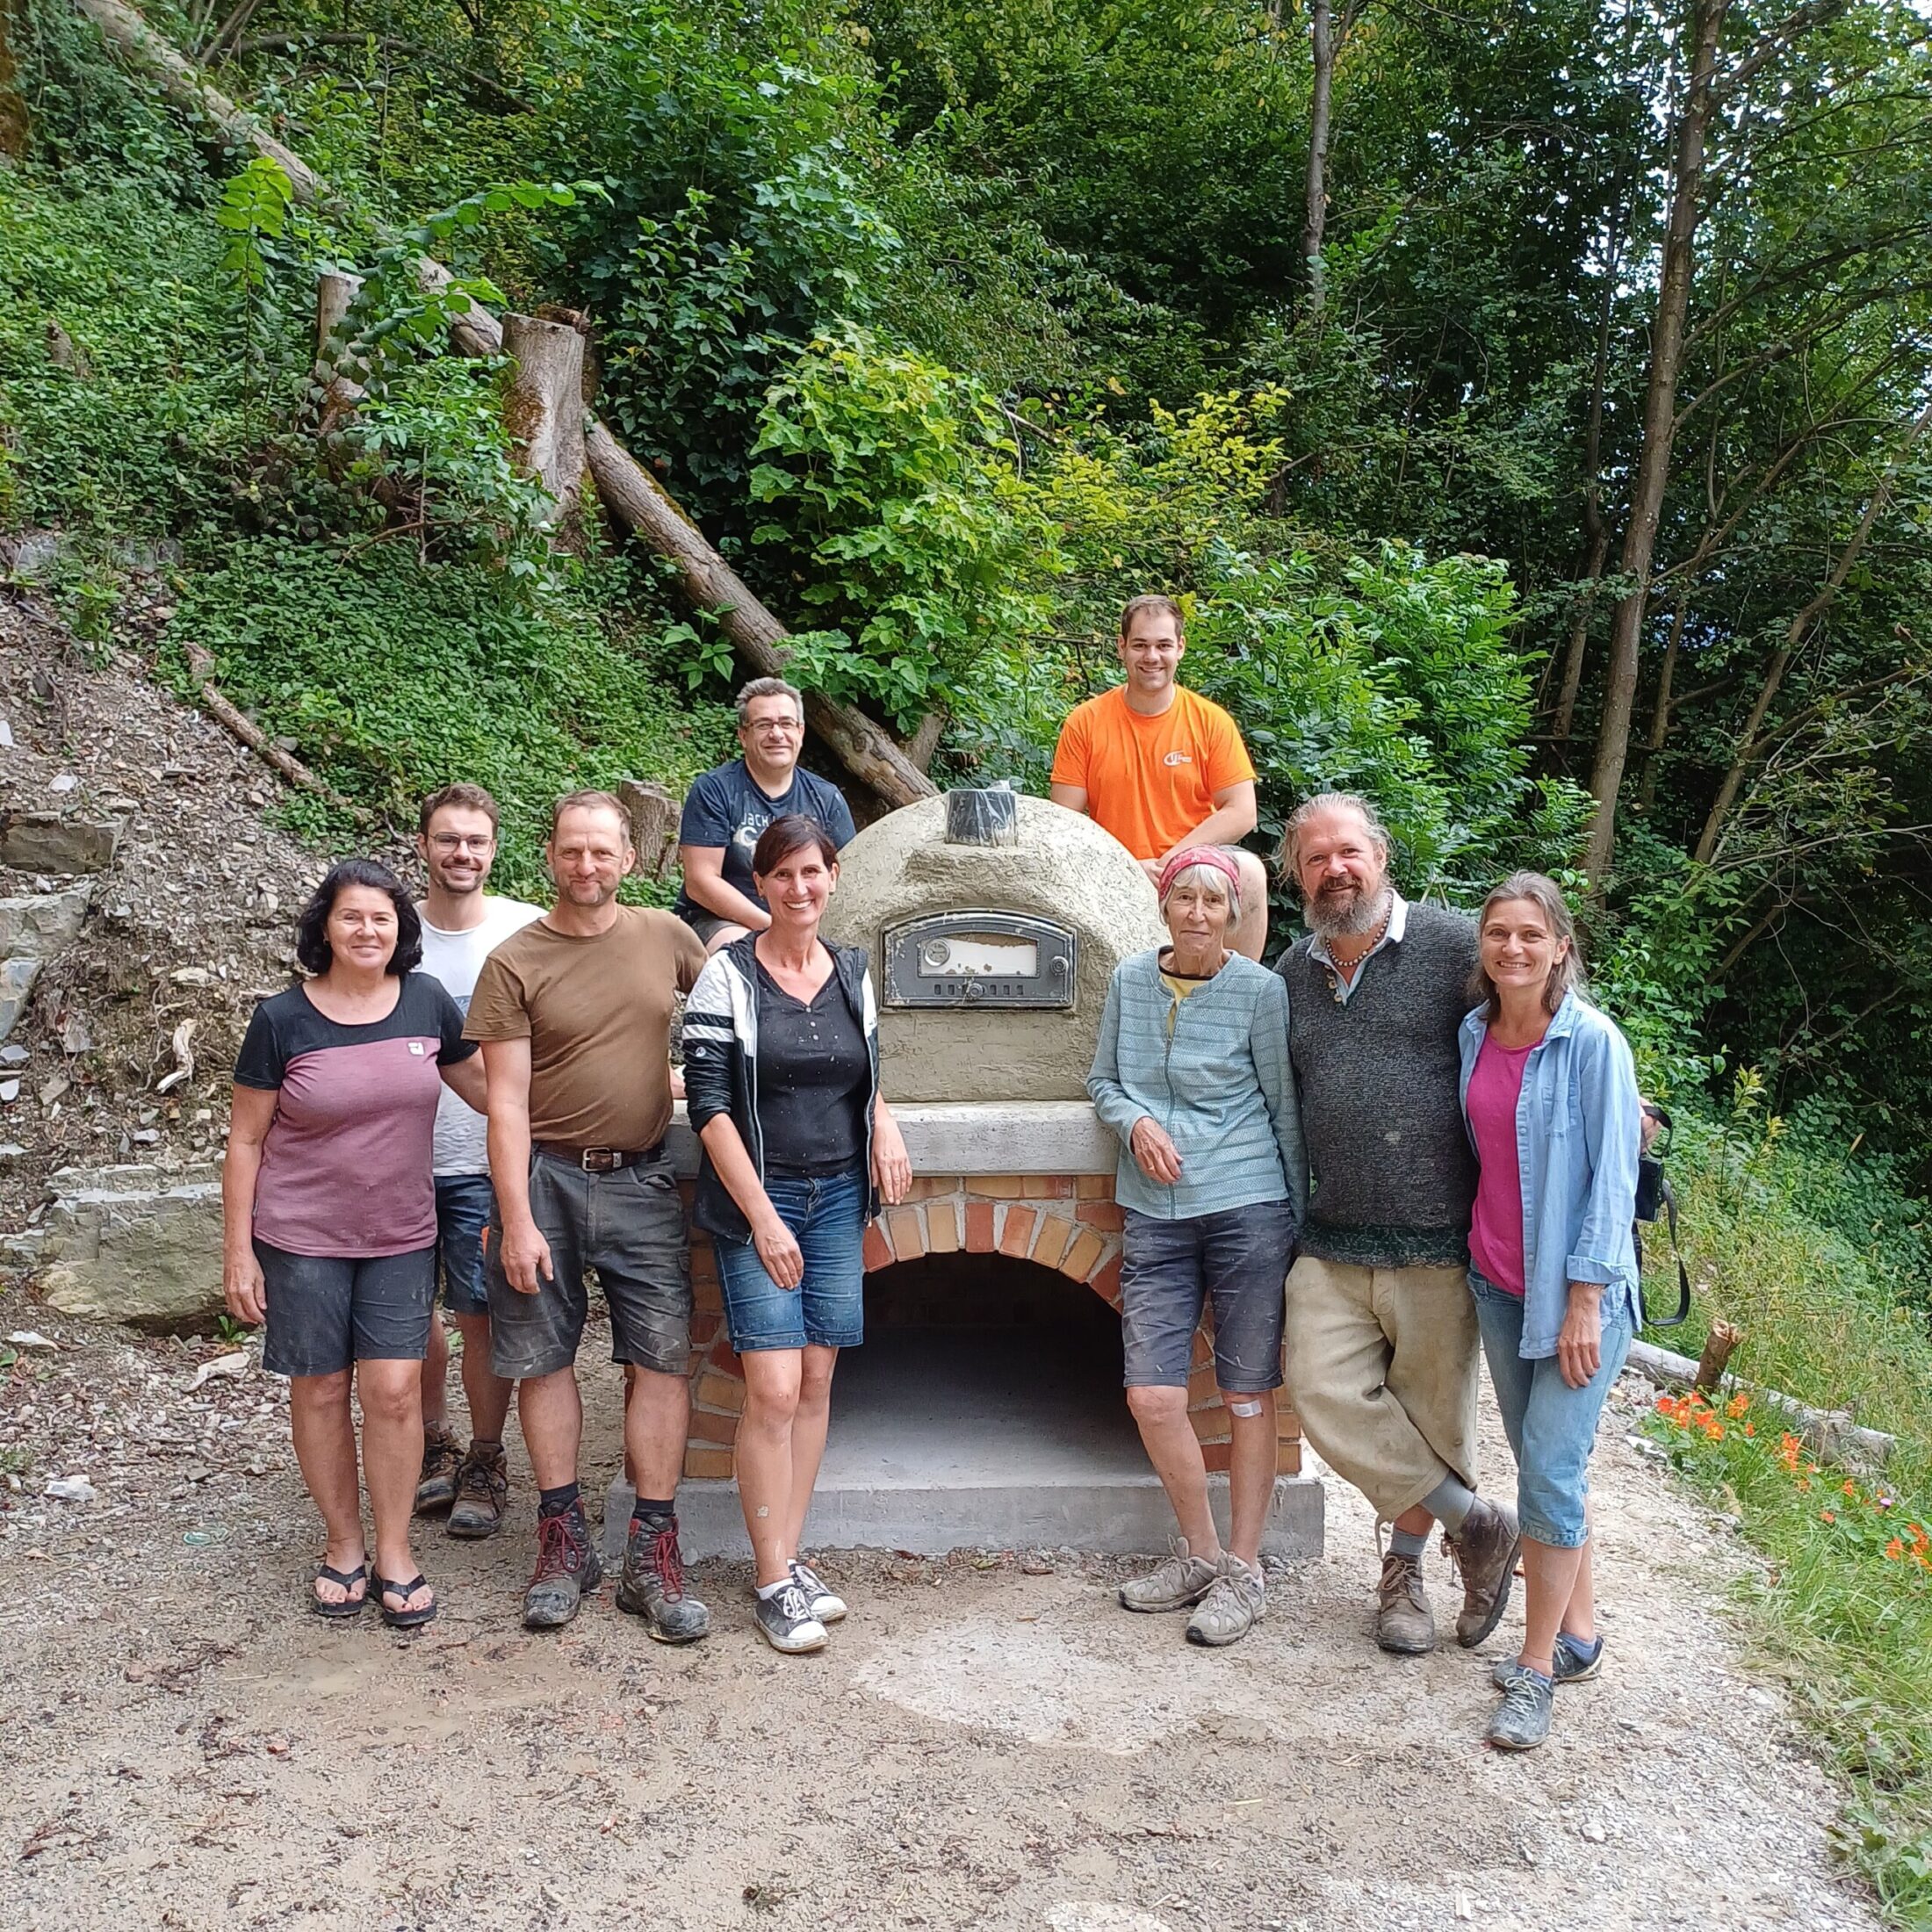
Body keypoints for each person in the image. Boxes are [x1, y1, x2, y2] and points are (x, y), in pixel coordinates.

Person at [1274, 792, 1521, 1656]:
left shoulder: (1456, 947)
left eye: (1348, 852)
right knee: (1316, 1386)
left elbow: (1537, 1016)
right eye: (1315, 858)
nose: (1334, 869)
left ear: (1380, 857)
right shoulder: (1288, 976)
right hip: (1331, 1238)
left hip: (1437, 1239)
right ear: (1296, 876)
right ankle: (1477, 1521)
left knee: (1431, 1417)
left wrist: (1618, 1098)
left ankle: (1404, 1578)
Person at [465, 790, 710, 1634]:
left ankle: (653, 1548)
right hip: (546, 1182)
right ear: (550, 856)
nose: (587, 866)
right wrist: (515, 1217)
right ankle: (563, 1538)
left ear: (628, 860)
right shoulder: (514, 962)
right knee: (542, 1359)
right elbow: (502, 1104)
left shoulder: (665, 939)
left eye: (602, 852)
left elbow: (732, 1017)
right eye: (572, 852)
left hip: (644, 1180)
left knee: (663, 1362)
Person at [222, 860, 487, 1629]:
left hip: (402, 1233)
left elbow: (492, 1091)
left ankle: (397, 1551)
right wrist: (238, 1252)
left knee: (396, 1391)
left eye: (382, 918)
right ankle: (345, 1546)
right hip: (300, 1237)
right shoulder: (282, 1020)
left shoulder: (428, 1003)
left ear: (402, 929)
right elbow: (244, 1141)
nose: (368, 931)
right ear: (325, 929)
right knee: (321, 1388)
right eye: (351, 918)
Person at [682, 815, 912, 1654]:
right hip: (763, 1201)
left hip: (842, 1194)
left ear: (833, 876)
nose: (799, 889)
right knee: (773, 1389)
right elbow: (709, 1108)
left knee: (817, 1380)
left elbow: (867, 1073)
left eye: (812, 872)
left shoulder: (852, 970)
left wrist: (883, 1124)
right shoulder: (728, 977)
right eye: (781, 875)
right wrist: (764, 1217)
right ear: (761, 885)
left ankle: (788, 1554)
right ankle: (772, 1580)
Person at [1088, 847, 1304, 1647]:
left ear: (1236, 913)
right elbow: (1104, 1080)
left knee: (1248, 1392)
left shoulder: (1262, 991)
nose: (1199, 913)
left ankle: (1246, 1570)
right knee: (1152, 1393)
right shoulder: (1128, 982)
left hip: (1248, 1208)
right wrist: (1134, 1122)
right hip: (1154, 1210)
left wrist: (1298, 1220)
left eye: (1216, 901)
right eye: (1186, 897)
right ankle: (1202, 1554)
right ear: (1166, 907)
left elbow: (1283, 1107)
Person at [1459, 873, 1642, 1750]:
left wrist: (1584, 1300)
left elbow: (1613, 1178)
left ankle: (1534, 1670)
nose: (1514, 948)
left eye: (1532, 935)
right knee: (1549, 1469)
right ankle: (1578, 1634)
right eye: (1499, 933)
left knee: (1549, 1472)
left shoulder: (1592, 1043)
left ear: (1561, 947)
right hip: (1497, 1283)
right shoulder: (1473, 1034)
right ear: (1483, 946)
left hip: (1579, 1296)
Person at [410, 783, 541, 1539]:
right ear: (424, 844)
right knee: (407, 1320)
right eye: (448, 839)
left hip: (483, 1161)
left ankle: (486, 1459)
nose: (462, 853)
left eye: (476, 841)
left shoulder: (524, 931)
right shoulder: (389, 932)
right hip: (395, 1160)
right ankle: (433, 1442)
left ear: (494, 849)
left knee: (479, 1316)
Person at [1049, 595, 1269, 960]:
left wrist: (1172, 862)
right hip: (1114, 870)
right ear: (1121, 648)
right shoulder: (1085, 723)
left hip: (1195, 868)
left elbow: (1243, 811)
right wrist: (1127, 868)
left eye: (1163, 645)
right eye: (1140, 645)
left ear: (1180, 648)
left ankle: (1239, 997)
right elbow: (1065, 825)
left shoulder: (1209, 721)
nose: (1152, 657)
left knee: (1250, 871)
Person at [674, 677, 859, 953]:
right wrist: (774, 928)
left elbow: (850, 877)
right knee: (745, 954)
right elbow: (701, 882)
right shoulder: (715, 790)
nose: (776, 734)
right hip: (722, 922)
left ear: (801, 731)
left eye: (786, 723)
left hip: (805, 921)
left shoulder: (826, 797)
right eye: (763, 724)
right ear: (743, 736)